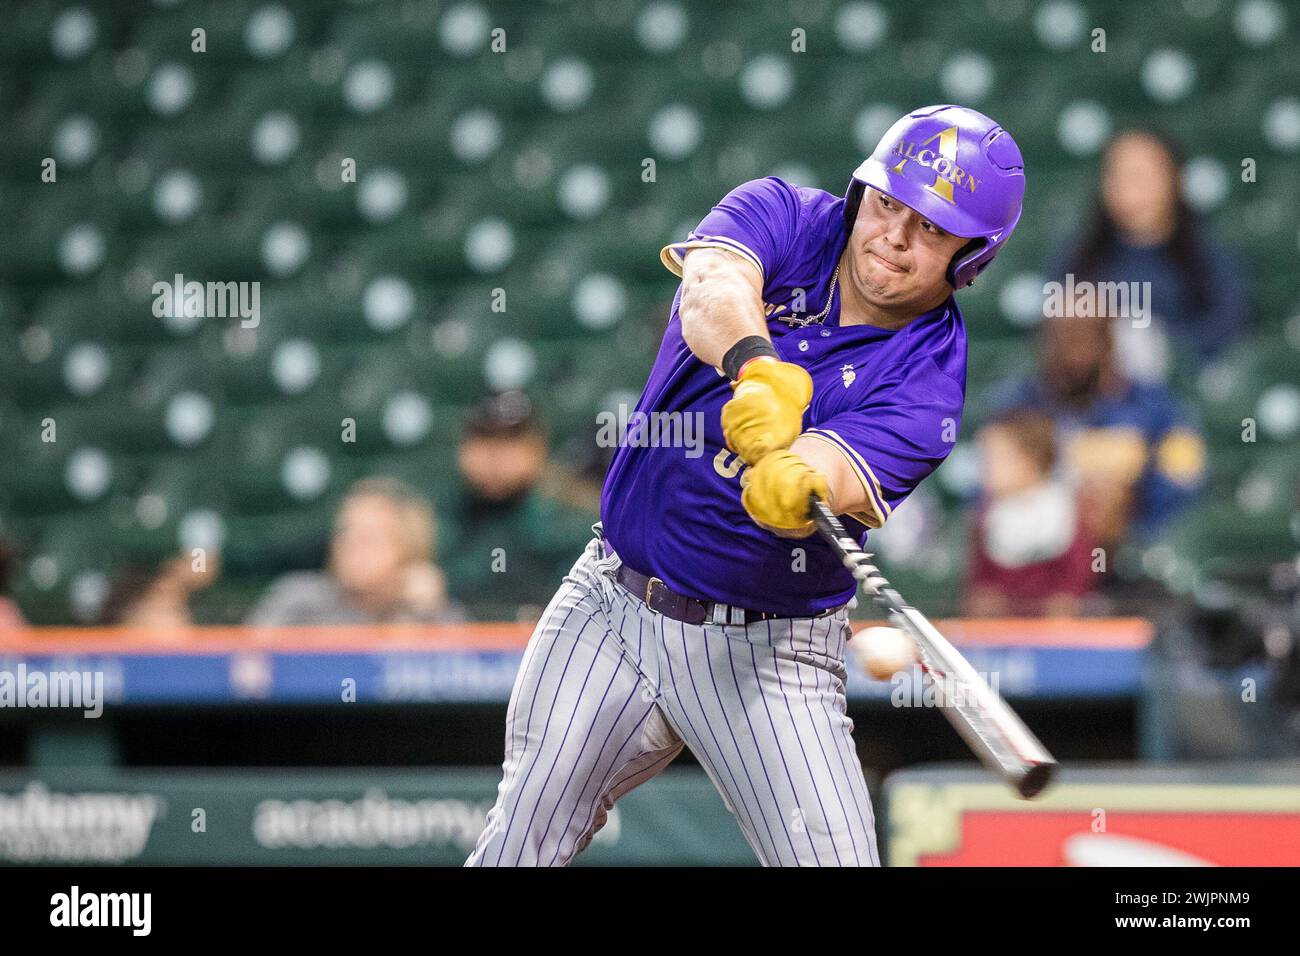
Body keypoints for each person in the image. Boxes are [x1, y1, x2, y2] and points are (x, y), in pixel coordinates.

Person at [467, 105, 1026, 867]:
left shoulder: (930, 382)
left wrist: (800, 484)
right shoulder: (785, 212)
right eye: (889, 203)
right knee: (515, 851)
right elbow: (711, 287)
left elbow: (834, 477)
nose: (893, 236)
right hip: (610, 604)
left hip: (771, 652)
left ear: (972, 257)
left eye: (930, 227)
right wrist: (757, 366)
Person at [1055, 129, 1247, 382]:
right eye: (1117, 175)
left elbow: (1228, 328)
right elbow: (1054, 338)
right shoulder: (1078, 256)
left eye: (1141, 176)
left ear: (1175, 179)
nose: (1128, 189)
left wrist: (1167, 348)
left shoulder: (1209, 257)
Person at [439, 392, 596, 621]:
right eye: (483, 439)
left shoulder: (570, 523)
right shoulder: (442, 515)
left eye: (510, 441)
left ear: (537, 448)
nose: (495, 455)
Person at [247, 477, 462, 626]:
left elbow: (467, 675)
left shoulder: (433, 613)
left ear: (409, 549)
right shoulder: (298, 601)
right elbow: (243, 667)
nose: (353, 546)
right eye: (346, 533)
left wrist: (417, 616)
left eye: (371, 538)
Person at [963, 408, 1097, 617]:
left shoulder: (1067, 510)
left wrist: (1064, 603)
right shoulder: (985, 517)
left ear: (1031, 460)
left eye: (998, 457)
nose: (986, 467)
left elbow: (1081, 574)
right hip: (1002, 632)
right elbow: (981, 581)